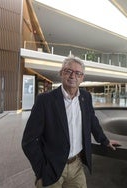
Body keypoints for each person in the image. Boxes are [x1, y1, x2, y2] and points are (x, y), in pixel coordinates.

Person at [22, 55, 119, 188]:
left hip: (76, 166)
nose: (73, 76)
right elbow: (28, 141)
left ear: (82, 78)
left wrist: (105, 140)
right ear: (61, 73)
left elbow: (92, 120)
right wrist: (40, 170)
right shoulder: (45, 100)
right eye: (69, 71)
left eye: (78, 73)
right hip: (51, 167)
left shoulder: (85, 97)